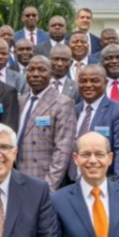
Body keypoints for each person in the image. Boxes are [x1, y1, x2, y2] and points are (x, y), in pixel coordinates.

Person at [17, 55, 76, 190]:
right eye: (31, 70)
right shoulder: (21, 101)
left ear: (51, 74)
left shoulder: (63, 103)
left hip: (43, 180)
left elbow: (63, 150)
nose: (35, 74)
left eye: (41, 70)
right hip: (18, 176)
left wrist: (49, 187)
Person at [72, 64, 119, 187]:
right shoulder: (74, 110)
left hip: (104, 184)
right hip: (73, 183)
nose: (88, 85)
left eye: (94, 81)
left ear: (105, 83)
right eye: (83, 81)